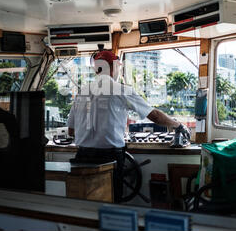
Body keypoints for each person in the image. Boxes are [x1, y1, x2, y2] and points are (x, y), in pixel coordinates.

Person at [67, 50, 190, 203]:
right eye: (119, 66)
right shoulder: (122, 90)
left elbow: (71, 131)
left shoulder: (82, 92)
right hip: (109, 158)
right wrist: (178, 125)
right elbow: (155, 116)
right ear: (113, 67)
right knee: (111, 201)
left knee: (83, 201)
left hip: (82, 157)